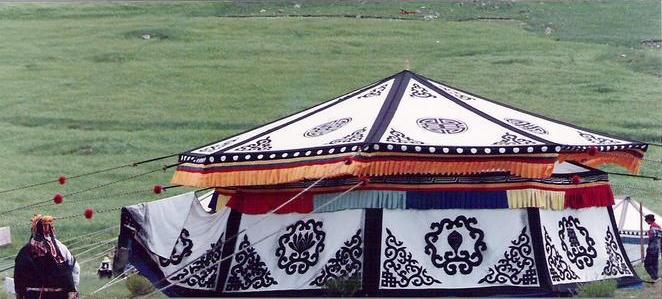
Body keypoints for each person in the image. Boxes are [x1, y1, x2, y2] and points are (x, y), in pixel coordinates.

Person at [14, 215, 80, 299]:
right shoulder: (61, 249)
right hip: (59, 295)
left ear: (34, 230)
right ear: (51, 229)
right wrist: (73, 291)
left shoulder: (24, 251)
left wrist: (19, 295)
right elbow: (76, 268)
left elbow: (18, 278)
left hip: (32, 295)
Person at [644, 214, 662, 281]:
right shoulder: (659, 227)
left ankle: (655, 278)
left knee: (647, 264)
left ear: (649, 220)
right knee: (655, 264)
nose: (646, 221)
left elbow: (651, 238)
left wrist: (648, 248)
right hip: (657, 248)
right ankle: (656, 277)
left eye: (646, 220)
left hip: (652, 248)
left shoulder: (652, 227)